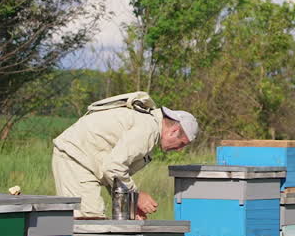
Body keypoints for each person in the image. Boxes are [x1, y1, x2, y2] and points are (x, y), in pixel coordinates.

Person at [51, 91, 197, 219]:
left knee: (91, 220)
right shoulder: (148, 129)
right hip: (75, 158)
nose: (179, 149)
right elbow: (113, 168)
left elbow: (111, 173)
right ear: (173, 131)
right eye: (182, 143)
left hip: (82, 159)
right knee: (88, 220)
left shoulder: (149, 125)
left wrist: (130, 205)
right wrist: (136, 196)